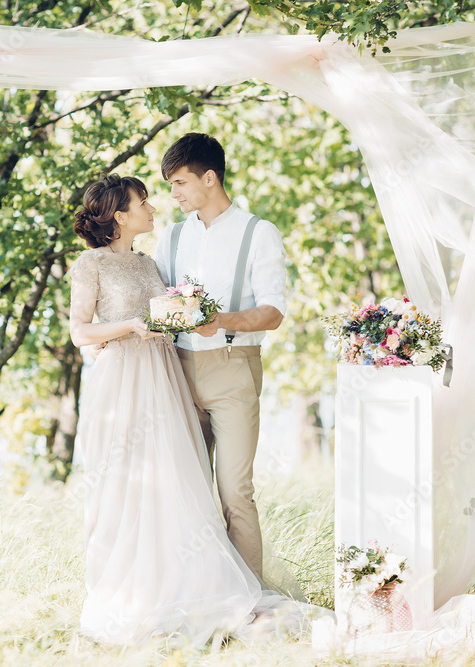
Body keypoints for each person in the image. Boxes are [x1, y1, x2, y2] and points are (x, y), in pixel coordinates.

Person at [68, 174, 323, 646]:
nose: (154, 206)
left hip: (165, 374)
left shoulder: (149, 262)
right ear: (119, 215)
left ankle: (194, 587)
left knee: (175, 480)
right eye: (143, 202)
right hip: (122, 381)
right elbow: (79, 332)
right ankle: (134, 592)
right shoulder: (90, 264)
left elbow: (174, 310)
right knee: (126, 481)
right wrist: (130, 325)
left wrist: (195, 316)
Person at [154, 133, 287, 579]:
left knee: (235, 492)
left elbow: (273, 312)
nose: (174, 194)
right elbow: (159, 300)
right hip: (177, 371)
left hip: (234, 369)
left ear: (209, 178)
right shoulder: (171, 237)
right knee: (186, 493)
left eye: (180, 183)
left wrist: (221, 320)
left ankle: (251, 597)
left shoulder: (259, 232)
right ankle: (198, 591)